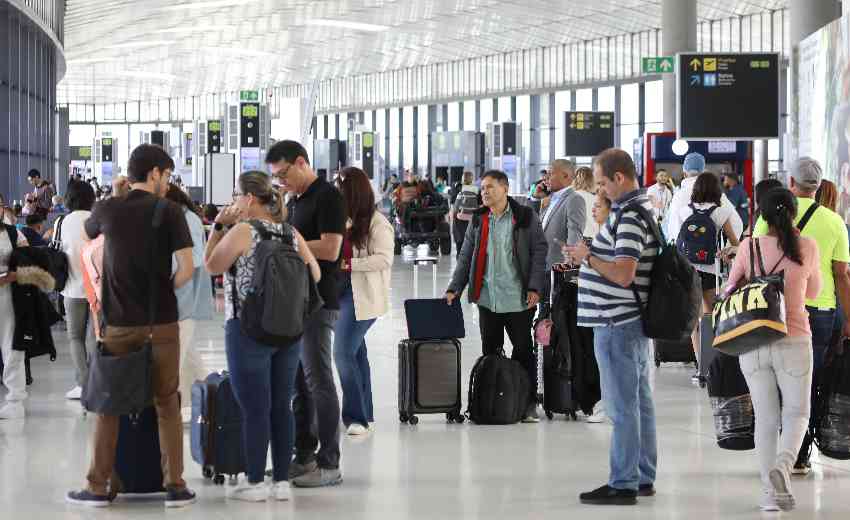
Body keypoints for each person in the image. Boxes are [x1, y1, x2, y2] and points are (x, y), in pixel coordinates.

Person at [66, 144, 197, 508]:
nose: (168, 183)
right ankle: (175, 486)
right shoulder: (169, 212)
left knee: (109, 405)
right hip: (162, 325)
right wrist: (160, 290)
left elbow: (87, 241)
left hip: (118, 326)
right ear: (154, 173)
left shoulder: (107, 208)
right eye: (166, 176)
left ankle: (97, 486)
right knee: (168, 403)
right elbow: (185, 269)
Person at [205, 171, 320, 502]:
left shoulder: (243, 230)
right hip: (289, 330)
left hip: (247, 329)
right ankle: (281, 481)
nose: (233, 202)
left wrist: (218, 226)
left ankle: (255, 482)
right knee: (280, 405)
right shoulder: (290, 232)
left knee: (254, 408)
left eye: (236, 196)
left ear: (250, 199)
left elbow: (212, 265)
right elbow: (314, 271)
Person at [565, 148, 659, 506]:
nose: (599, 190)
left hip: (616, 322)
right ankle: (642, 476)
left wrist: (588, 257)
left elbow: (623, 274)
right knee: (638, 404)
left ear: (620, 178)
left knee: (622, 407)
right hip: (626, 323)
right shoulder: (639, 209)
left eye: (602, 182)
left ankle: (623, 483)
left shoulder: (630, 216)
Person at [752, 158, 850, 475]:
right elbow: (842, 275)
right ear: (818, 186)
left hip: (772, 310)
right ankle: (798, 454)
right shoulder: (835, 221)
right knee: (808, 385)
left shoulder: (767, 219)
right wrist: (849, 317)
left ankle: (778, 453)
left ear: (791, 182)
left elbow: (754, 262)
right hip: (819, 313)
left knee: (774, 386)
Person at [726, 188, 821, 512]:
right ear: (793, 213)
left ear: (761, 215)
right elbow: (815, 291)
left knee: (766, 420)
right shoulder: (807, 247)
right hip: (794, 339)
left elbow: (729, 289)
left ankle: (770, 496)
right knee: (797, 413)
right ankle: (784, 464)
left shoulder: (748, 247)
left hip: (753, 340)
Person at [266, 140, 345, 488]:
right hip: (296, 302)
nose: (281, 182)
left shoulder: (328, 196)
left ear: (301, 162)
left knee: (319, 380)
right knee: (300, 384)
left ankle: (330, 463)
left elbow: (331, 248)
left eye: (283, 174)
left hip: (319, 302)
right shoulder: (297, 200)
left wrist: (285, 241)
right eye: (276, 179)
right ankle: (304, 456)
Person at [446, 170, 547, 423]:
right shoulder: (479, 219)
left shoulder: (525, 216)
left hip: (518, 299)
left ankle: (528, 403)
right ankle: (492, 400)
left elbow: (539, 251)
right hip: (488, 299)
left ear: (505, 188)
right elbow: (465, 256)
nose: (485, 192)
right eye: (483, 188)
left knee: (523, 350)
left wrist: (535, 287)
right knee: (490, 350)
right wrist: (454, 288)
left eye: (490, 187)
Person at [334, 167, 394, 436]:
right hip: (339, 294)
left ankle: (355, 417)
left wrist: (349, 264)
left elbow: (384, 259)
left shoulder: (377, 222)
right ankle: (365, 412)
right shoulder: (342, 219)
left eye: (341, 187)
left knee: (342, 353)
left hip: (362, 297)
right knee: (357, 354)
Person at [676, 173, 740, 359]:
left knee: (694, 320)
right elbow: (734, 243)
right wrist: (726, 253)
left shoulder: (684, 211)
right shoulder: (721, 212)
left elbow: (681, 241)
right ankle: (713, 360)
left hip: (688, 270)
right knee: (711, 316)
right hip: (711, 270)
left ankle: (700, 364)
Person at [165, 185, 214, 421]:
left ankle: (168, 410)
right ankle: (216, 399)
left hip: (183, 295)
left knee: (175, 356)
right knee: (189, 357)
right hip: (178, 295)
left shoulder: (189, 220)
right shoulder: (179, 218)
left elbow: (192, 260)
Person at [57, 180, 97, 401]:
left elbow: (59, 250)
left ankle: (82, 385)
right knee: (94, 336)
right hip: (96, 288)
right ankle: (95, 383)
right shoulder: (96, 219)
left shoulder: (63, 221)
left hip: (71, 288)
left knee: (75, 337)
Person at [664, 153, 743, 243]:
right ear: (702, 173)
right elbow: (737, 224)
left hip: (683, 253)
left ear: (684, 174)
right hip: (711, 253)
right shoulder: (717, 195)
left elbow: (672, 229)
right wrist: (727, 249)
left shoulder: (678, 197)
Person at [0, 221, 29, 419]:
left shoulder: (12, 233)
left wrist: (12, 275)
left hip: (7, 294)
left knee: (11, 345)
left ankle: (15, 400)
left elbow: (30, 260)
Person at [452, 171, 481, 254]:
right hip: (473, 219)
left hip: (461, 218)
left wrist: (454, 214)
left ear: (463, 179)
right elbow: (480, 205)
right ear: (472, 179)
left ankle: (459, 254)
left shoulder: (459, 190)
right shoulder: (477, 191)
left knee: (459, 237)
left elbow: (456, 207)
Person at [574, 166, 599, 239]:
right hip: (588, 241)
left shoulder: (569, 196)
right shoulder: (593, 199)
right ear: (591, 180)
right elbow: (597, 224)